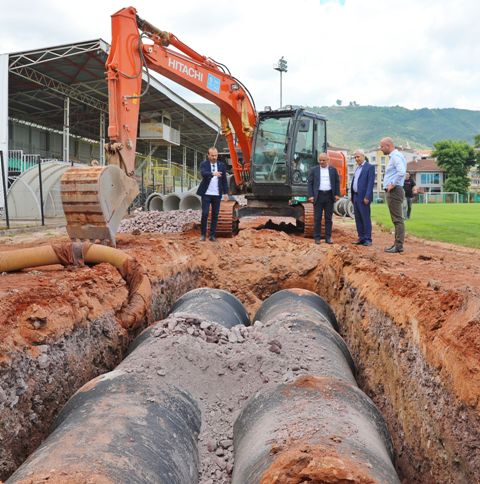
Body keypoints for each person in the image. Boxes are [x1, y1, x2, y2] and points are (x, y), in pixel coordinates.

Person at [380, 137, 407, 253]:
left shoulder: (395, 157)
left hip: (394, 191)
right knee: (396, 219)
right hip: (395, 190)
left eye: (382, 146)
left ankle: (399, 246)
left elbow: (402, 172)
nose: (381, 149)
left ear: (388, 145)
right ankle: (396, 244)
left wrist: (393, 184)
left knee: (397, 219)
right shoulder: (397, 156)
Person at [196, 147, 229, 241]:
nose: (214, 157)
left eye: (216, 155)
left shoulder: (222, 165)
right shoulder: (204, 164)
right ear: (208, 155)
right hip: (206, 193)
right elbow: (203, 173)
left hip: (217, 194)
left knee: (215, 214)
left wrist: (226, 193)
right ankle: (202, 234)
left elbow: (224, 180)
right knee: (205, 213)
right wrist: (213, 173)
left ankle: (212, 235)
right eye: (212, 155)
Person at [307, 152, 340, 244]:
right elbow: (310, 183)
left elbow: (337, 182)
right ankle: (317, 238)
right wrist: (311, 195)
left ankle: (328, 237)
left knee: (328, 218)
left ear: (328, 160)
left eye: (323, 160)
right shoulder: (314, 170)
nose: (321, 162)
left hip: (329, 196)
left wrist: (337, 194)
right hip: (318, 196)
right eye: (320, 160)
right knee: (317, 218)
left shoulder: (333, 170)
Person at [350, 149, 375, 246]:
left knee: (365, 218)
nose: (356, 159)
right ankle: (361, 238)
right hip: (355, 196)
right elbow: (354, 182)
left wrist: (367, 196)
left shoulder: (369, 167)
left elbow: (370, 183)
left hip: (364, 197)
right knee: (358, 218)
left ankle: (368, 239)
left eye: (358, 157)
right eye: (355, 157)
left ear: (363, 156)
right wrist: (352, 196)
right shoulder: (357, 168)